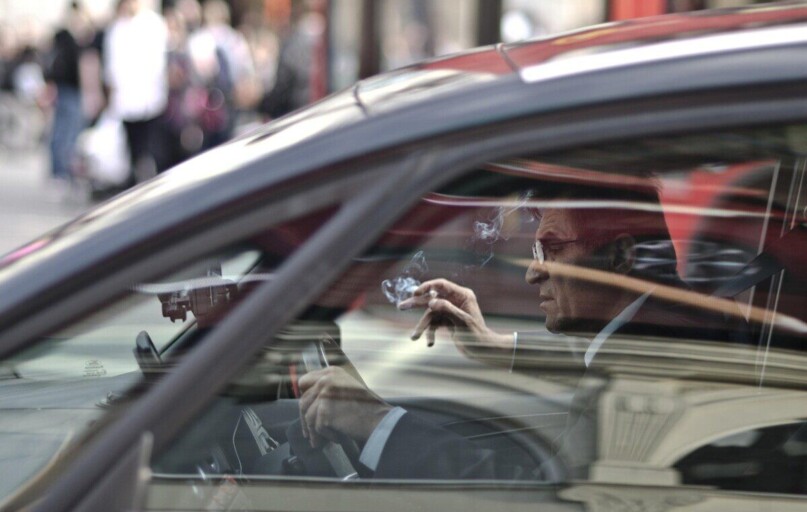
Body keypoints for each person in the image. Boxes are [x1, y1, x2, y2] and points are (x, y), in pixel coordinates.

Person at [297, 183, 749, 479]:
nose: (534, 274)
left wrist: (379, 424)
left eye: (551, 249)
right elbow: (603, 358)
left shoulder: (657, 374)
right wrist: (497, 348)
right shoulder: (668, 323)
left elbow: (529, 499)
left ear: (620, 258)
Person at [103, 0, 168, 184]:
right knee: (132, 146)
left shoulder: (154, 24)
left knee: (151, 146)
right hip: (127, 99)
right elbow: (112, 68)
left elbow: (158, 64)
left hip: (150, 99)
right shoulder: (118, 29)